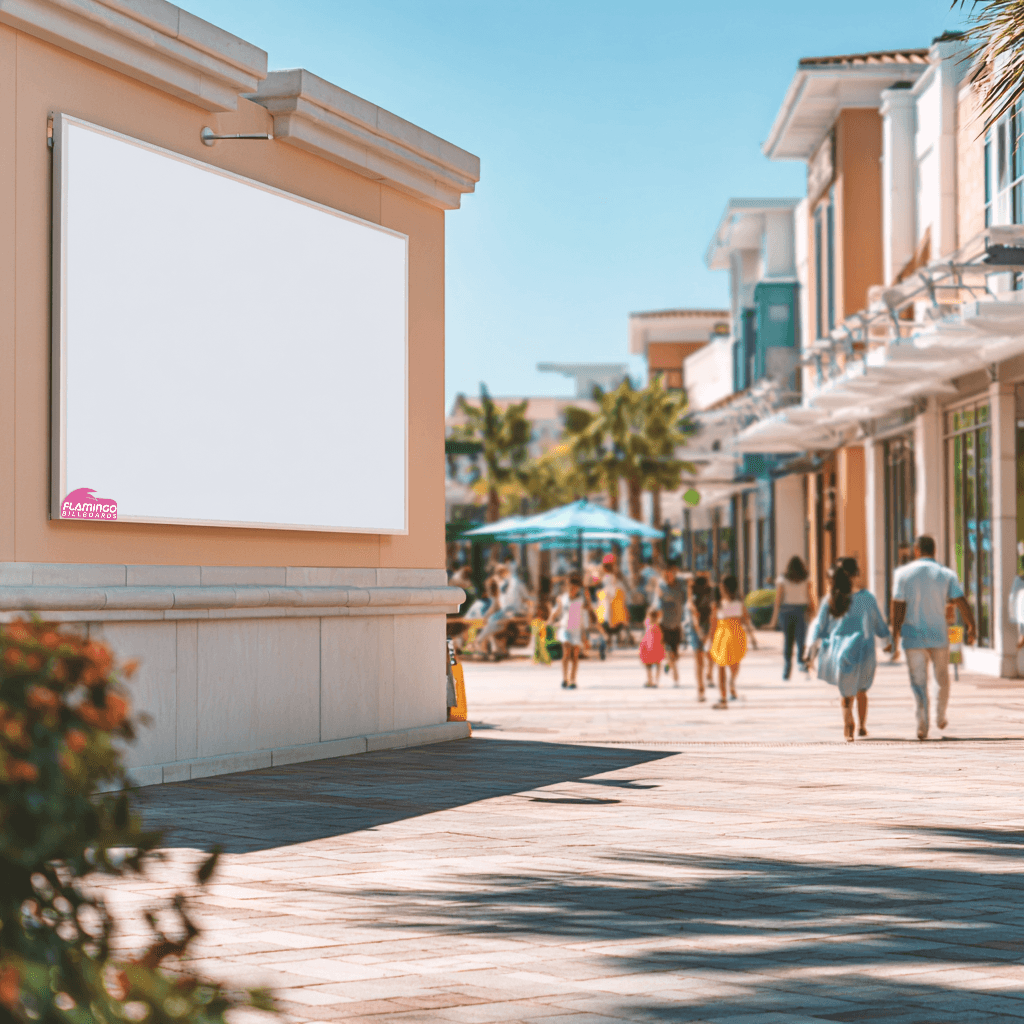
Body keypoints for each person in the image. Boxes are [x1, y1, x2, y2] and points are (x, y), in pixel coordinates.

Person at [891, 535, 977, 740]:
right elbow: (961, 601)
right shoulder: (946, 574)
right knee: (942, 678)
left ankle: (922, 723)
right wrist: (971, 626)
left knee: (918, 682)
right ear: (934, 550)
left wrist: (894, 637)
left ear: (917, 550)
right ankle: (939, 715)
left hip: (913, 636)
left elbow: (898, 607)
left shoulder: (903, 574)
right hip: (938, 634)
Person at [806, 558, 891, 742]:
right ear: (855, 575)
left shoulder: (830, 599)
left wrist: (810, 650)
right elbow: (878, 622)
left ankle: (847, 724)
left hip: (839, 651)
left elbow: (819, 627)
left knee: (846, 691)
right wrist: (887, 640)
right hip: (864, 649)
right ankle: (862, 725)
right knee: (862, 690)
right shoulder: (866, 598)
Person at [708, 574, 758, 709]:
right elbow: (713, 623)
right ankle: (723, 697)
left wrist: (753, 638)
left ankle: (731, 683)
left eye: (722, 587)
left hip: (732, 635)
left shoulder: (737, 604)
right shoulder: (718, 604)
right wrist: (710, 639)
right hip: (724, 636)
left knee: (733, 665)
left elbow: (746, 621)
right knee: (722, 667)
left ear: (725, 588)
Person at [769, 555, 817, 680]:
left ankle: (787, 669)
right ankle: (802, 664)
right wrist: (814, 611)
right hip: (801, 610)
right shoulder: (806, 578)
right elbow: (809, 595)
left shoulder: (782, 578)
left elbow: (778, 599)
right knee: (802, 639)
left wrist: (773, 620)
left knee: (788, 640)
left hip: (786, 611)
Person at [548, 571, 593, 689]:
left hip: (576, 630)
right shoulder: (562, 599)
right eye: (570, 587)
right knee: (566, 653)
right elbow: (557, 611)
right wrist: (550, 620)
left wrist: (584, 636)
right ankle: (564, 678)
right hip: (565, 629)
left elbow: (583, 619)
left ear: (578, 588)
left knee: (575, 657)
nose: (572, 590)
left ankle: (573, 679)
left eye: (574, 588)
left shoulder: (581, 601)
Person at [475, 563, 529, 657]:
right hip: (505, 611)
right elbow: (498, 602)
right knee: (492, 621)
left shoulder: (515, 582)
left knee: (493, 622)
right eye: (497, 573)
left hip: (513, 611)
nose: (498, 575)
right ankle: (489, 646)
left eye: (499, 573)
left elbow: (526, 596)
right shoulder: (503, 584)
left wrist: (526, 609)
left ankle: (479, 641)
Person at [651, 559, 687, 686]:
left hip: (676, 624)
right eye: (665, 574)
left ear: (675, 572)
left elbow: (686, 601)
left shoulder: (681, 584)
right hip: (663, 624)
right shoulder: (660, 586)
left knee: (675, 655)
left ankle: (670, 664)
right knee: (668, 651)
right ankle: (675, 675)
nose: (667, 576)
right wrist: (655, 614)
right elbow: (656, 602)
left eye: (670, 573)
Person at [684, 575, 713, 702]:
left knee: (700, 659)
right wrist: (703, 633)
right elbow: (695, 617)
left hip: (702, 628)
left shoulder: (697, 597)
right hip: (700, 628)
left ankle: (701, 686)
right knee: (703, 657)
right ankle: (701, 686)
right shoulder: (700, 597)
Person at [639, 608, 666, 688]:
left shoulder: (647, 624)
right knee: (658, 666)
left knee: (648, 666)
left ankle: (649, 681)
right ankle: (656, 681)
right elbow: (662, 638)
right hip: (657, 649)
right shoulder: (660, 625)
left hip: (647, 649)